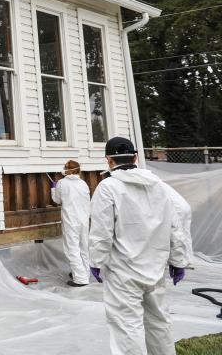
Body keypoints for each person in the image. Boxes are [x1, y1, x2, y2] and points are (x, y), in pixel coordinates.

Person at [88, 137, 189, 355]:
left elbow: (101, 232)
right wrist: (178, 260)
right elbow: (175, 225)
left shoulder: (108, 188)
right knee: (159, 323)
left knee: (127, 327)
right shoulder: (159, 186)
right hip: (155, 269)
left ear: (108, 160)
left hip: (123, 273)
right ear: (135, 157)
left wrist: (96, 261)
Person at [50, 159, 91, 286]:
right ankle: (84, 273)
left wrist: (53, 188)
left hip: (71, 220)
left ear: (66, 170)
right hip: (84, 220)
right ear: (78, 170)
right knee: (84, 248)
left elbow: (57, 200)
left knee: (72, 249)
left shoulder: (62, 183)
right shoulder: (83, 183)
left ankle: (80, 279)